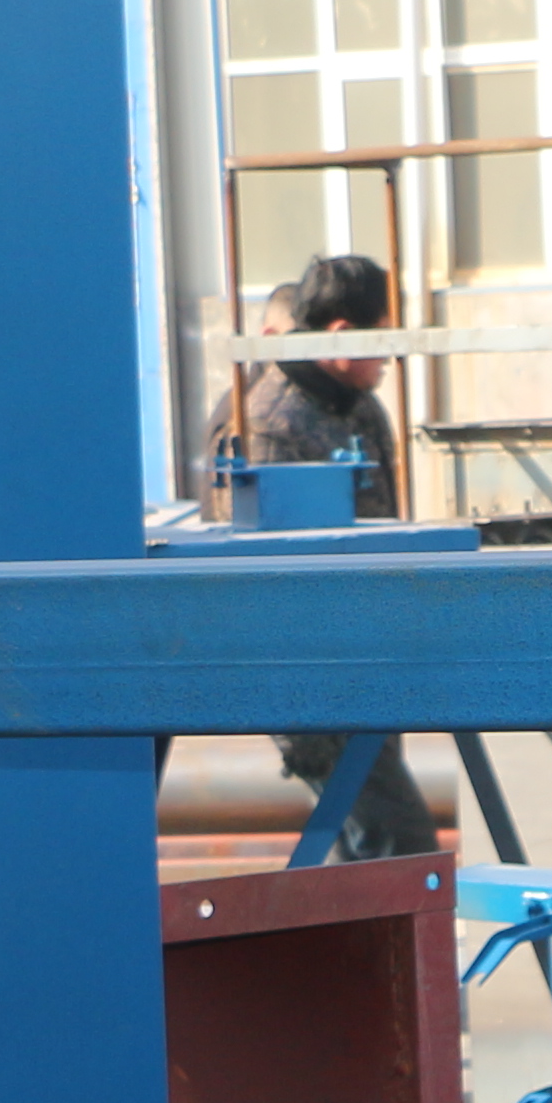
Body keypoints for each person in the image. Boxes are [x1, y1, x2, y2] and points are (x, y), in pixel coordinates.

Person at [224, 253, 441, 859]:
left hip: (369, 666)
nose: (389, 357)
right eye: (382, 338)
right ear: (343, 335)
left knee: (367, 860)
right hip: (316, 683)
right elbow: (261, 584)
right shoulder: (273, 424)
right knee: (400, 846)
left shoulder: (358, 408)